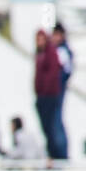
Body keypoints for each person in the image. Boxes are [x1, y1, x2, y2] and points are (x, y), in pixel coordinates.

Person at [34, 29, 65, 159]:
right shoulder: (39, 54)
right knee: (47, 129)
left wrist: (46, 92)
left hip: (50, 97)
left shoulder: (51, 53)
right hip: (42, 97)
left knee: (53, 128)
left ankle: (58, 155)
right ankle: (52, 154)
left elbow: (53, 74)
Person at [52, 23, 73, 159]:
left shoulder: (62, 51)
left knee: (56, 122)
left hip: (57, 92)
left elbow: (66, 71)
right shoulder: (60, 50)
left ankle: (61, 154)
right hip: (57, 91)